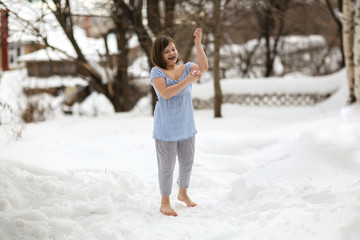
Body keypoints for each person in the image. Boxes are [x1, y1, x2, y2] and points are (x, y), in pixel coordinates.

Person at [149, 28, 208, 216]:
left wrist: (198, 43)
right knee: (167, 167)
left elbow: (204, 67)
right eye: (167, 51)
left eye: (173, 49)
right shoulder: (156, 72)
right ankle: (165, 201)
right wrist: (187, 81)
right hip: (166, 128)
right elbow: (165, 94)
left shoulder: (186, 68)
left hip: (186, 125)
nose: (172, 53)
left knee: (187, 162)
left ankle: (183, 193)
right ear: (159, 55)